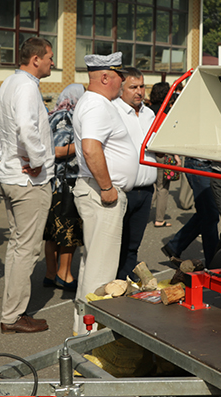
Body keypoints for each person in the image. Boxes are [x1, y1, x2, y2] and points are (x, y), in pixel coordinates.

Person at [0, 37, 55, 334]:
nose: (52, 62)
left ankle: (13, 311)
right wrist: (37, 159)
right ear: (35, 60)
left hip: (12, 174)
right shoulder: (27, 86)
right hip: (28, 180)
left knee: (18, 248)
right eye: (49, 57)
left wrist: (6, 158)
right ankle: (14, 315)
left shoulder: (9, 83)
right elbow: (27, 127)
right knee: (26, 250)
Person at [71, 52, 136, 335]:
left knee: (92, 267)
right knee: (101, 274)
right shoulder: (97, 105)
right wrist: (108, 188)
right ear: (106, 77)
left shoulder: (97, 103)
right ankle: (90, 340)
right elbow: (91, 148)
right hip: (101, 193)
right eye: (120, 76)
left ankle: (81, 333)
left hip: (97, 190)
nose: (122, 82)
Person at [113, 68, 157, 281]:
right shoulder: (113, 111)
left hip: (147, 189)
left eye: (142, 86)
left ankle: (126, 282)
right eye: (133, 87)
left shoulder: (149, 113)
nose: (139, 91)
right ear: (121, 89)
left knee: (133, 244)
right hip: (122, 189)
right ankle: (113, 283)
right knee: (115, 243)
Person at [43, 83, 86, 291]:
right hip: (66, 182)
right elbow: (58, 151)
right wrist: (83, 145)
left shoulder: (52, 114)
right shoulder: (66, 117)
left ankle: (51, 274)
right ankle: (64, 274)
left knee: (52, 231)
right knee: (68, 230)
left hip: (53, 182)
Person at [149, 81, 176, 227]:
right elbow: (167, 136)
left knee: (150, 185)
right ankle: (159, 218)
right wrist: (176, 155)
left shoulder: (146, 110)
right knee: (162, 187)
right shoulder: (165, 113)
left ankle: (145, 212)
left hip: (147, 153)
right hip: (161, 153)